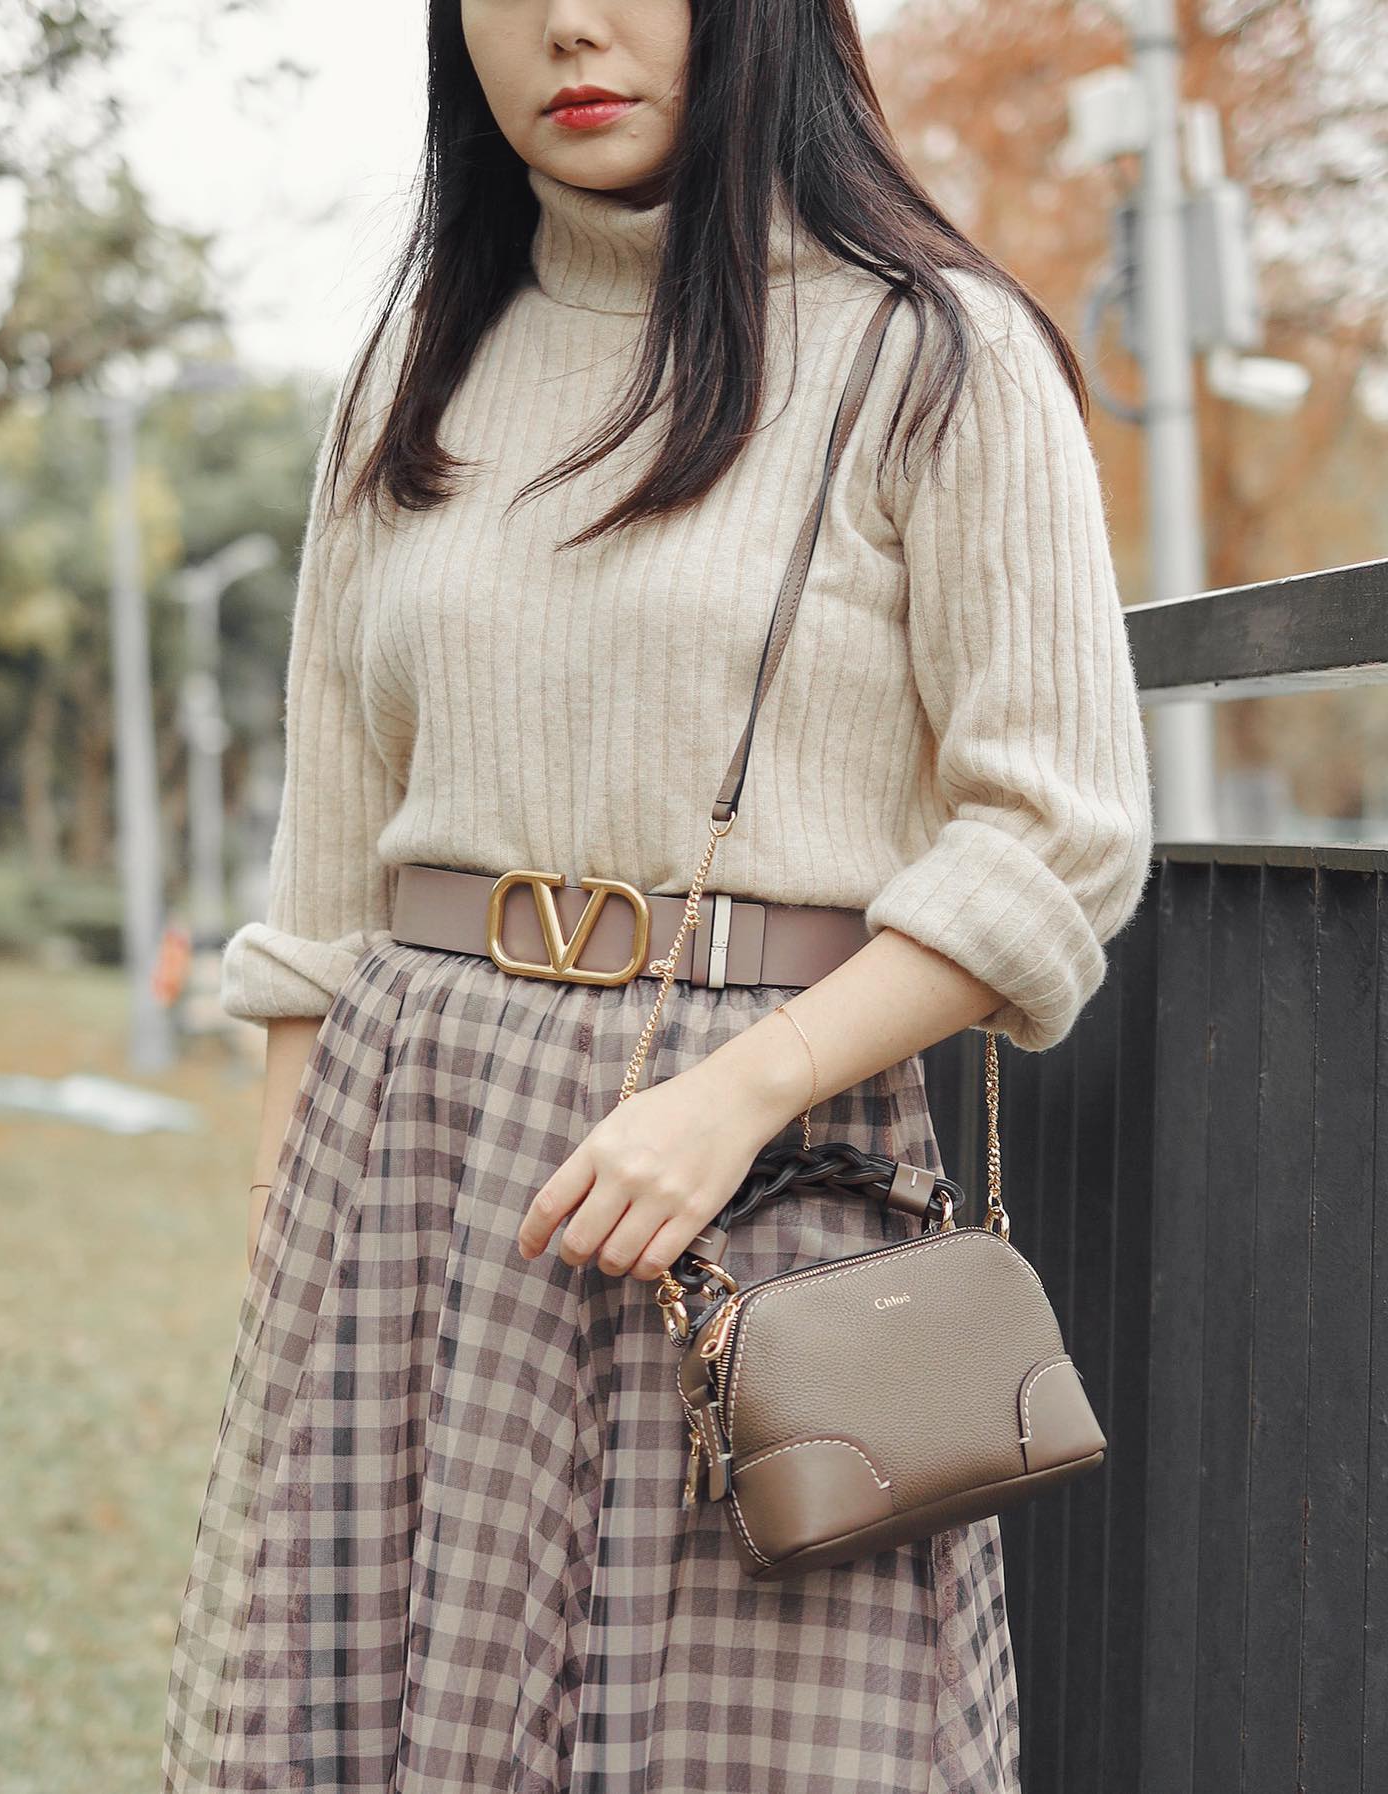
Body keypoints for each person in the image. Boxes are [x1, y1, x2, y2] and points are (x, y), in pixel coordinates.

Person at [161, 1, 1154, 1789]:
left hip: (767, 1184)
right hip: (418, 1169)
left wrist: (736, 1092)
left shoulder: (933, 353)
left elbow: (1056, 834)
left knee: (767, 1744)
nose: (570, 26)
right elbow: (323, 900)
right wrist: (286, 1239)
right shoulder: (416, 373)